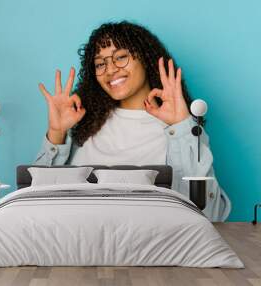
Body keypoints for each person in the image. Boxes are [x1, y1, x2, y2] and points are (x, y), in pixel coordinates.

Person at [34, 21, 230, 222]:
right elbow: (37, 206)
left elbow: (210, 215)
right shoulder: (86, 125)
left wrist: (181, 125)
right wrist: (56, 132)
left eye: (120, 57)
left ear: (145, 59)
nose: (110, 70)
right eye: (100, 63)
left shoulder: (180, 131)